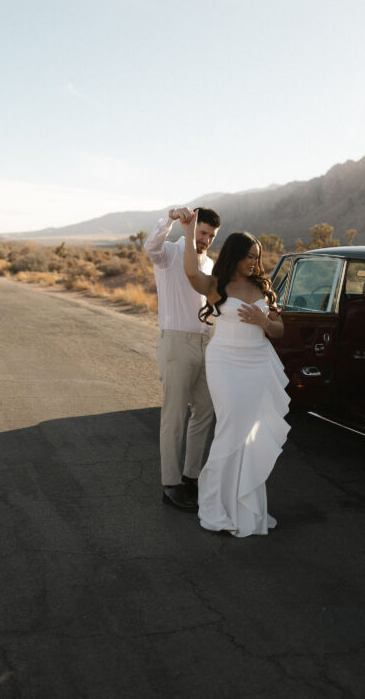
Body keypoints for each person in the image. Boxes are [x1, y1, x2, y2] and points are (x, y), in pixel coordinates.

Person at [182, 212, 289, 537]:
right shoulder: (217, 285)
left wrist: (264, 323)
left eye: (257, 257)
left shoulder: (261, 286)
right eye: (249, 257)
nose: (254, 263)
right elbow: (189, 272)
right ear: (235, 256)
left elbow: (280, 330)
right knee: (230, 429)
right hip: (225, 362)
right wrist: (188, 233)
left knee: (249, 434)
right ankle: (215, 505)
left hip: (257, 362)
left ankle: (245, 506)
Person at [144, 205, 221, 511]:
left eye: (211, 236)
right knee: (174, 415)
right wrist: (170, 219)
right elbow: (150, 246)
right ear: (193, 227)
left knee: (204, 411)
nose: (206, 240)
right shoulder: (170, 254)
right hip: (176, 343)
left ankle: (191, 477)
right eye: (202, 233)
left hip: (206, 342)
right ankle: (170, 484)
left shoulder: (211, 263)